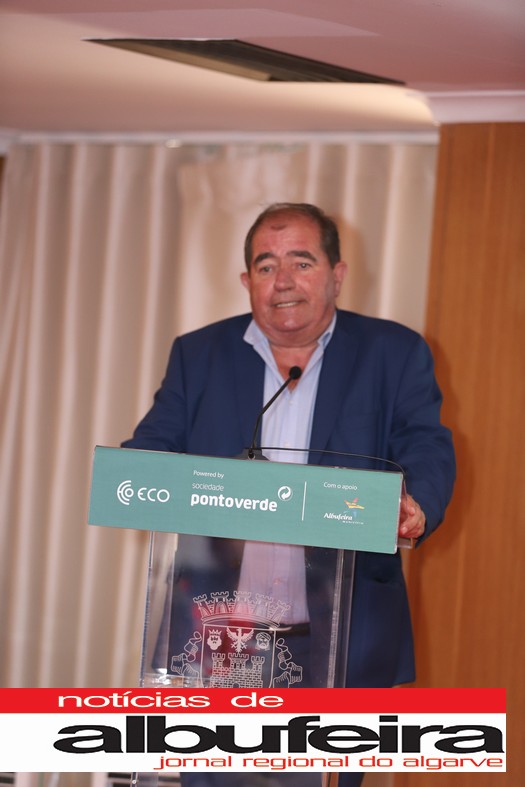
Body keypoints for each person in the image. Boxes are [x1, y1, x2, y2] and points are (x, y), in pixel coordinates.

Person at [122, 203, 455, 787]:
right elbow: (151, 450)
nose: (283, 281)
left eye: (302, 262)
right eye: (266, 265)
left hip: (338, 632)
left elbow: (425, 443)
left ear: (337, 274)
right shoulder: (198, 355)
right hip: (220, 633)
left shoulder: (392, 351)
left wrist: (416, 503)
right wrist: (136, 479)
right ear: (246, 279)